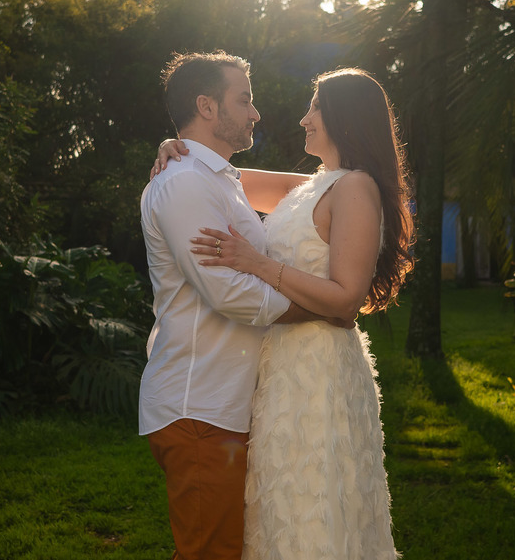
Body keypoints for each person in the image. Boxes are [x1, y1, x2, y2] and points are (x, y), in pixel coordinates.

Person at [157, 67, 414, 560]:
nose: (304, 119)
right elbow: (223, 173)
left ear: (345, 115)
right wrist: (174, 144)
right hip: (279, 371)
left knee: (317, 502)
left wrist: (259, 264)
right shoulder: (313, 186)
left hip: (320, 371)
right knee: (279, 507)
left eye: (315, 106)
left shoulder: (357, 188)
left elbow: (345, 300)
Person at [139, 51, 344, 560]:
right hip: (199, 406)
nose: (255, 112)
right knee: (212, 553)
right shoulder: (186, 181)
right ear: (207, 106)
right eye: (244, 98)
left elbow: (329, 189)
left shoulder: (216, 178)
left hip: (227, 403)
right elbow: (228, 292)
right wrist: (317, 308)